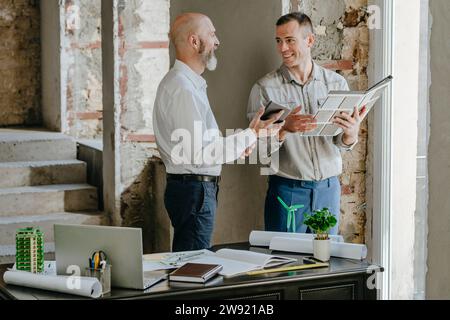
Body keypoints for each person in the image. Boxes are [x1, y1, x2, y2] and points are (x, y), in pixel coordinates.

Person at [153, 13, 283, 252]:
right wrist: (251, 134)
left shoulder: (188, 85)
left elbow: (201, 145)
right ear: (194, 42)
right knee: (193, 268)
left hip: (194, 190)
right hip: (194, 192)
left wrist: (242, 141)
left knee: (192, 264)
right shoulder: (182, 89)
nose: (217, 41)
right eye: (211, 34)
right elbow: (198, 154)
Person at [247, 12, 366, 235]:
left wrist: (351, 133)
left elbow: (342, 141)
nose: (282, 48)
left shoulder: (336, 83)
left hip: (329, 190)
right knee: (286, 265)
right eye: (278, 41)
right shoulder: (265, 89)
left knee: (326, 263)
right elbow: (258, 153)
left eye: (290, 40)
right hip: (287, 192)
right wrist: (284, 130)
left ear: (309, 40)